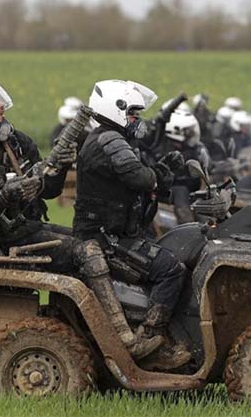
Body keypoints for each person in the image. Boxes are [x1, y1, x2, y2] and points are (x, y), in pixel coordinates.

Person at [0, 74, 163, 361]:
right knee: (88, 251)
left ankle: (97, 329)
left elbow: (49, 191)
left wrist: (60, 166)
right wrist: (4, 196)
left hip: (28, 230)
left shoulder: (18, 142)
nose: (0, 106)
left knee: (92, 241)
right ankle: (124, 339)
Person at [73, 79, 191, 370]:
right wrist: (161, 172)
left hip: (117, 233)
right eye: (133, 113)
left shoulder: (112, 138)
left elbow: (141, 181)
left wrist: (162, 171)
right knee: (171, 269)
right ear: (116, 110)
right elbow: (141, 179)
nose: (137, 119)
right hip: (104, 239)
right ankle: (150, 339)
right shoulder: (109, 139)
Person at [157, 108, 210, 223]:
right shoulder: (164, 150)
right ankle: (188, 224)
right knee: (180, 190)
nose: (192, 133)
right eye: (188, 131)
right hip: (169, 192)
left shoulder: (191, 148)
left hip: (189, 190)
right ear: (176, 131)